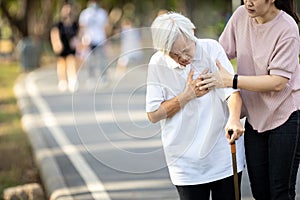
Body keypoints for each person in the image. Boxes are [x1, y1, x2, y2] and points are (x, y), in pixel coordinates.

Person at [199, 0, 300, 199]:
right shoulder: (240, 16)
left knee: (280, 192)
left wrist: (232, 80)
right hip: (255, 118)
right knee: (259, 191)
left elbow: (278, 82)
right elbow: (219, 55)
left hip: (286, 116)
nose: (248, 2)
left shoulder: (287, 28)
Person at [146, 12, 245, 200]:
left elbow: (232, 92)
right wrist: (187, 96)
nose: (183, 58)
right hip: (185, 165)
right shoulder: (158, 63)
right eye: (174, 54)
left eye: (186, 50)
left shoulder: (212, 49)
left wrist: (234, 118)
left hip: (223, 156)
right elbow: (153, 114)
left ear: (192, 33)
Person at [78, 0, 109, 89]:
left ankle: (103, 77)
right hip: (89, 40)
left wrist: (106, 39)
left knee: (101, 60)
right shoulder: (85, 14)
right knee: (90, 60)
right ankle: (91, 78)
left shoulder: (102, 13)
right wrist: (82, 40)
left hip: (100, 39)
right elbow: (82, 27)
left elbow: (106, 27)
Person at [50, 3, 79, 92]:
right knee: (62, 63)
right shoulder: (59, 24)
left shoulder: (74, 24)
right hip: (62, 45)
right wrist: (56, 43)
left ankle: (72, 80)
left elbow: (78, 34)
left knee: (71, 61)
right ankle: (62, 80)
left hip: (71, 46)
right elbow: (54, 33)